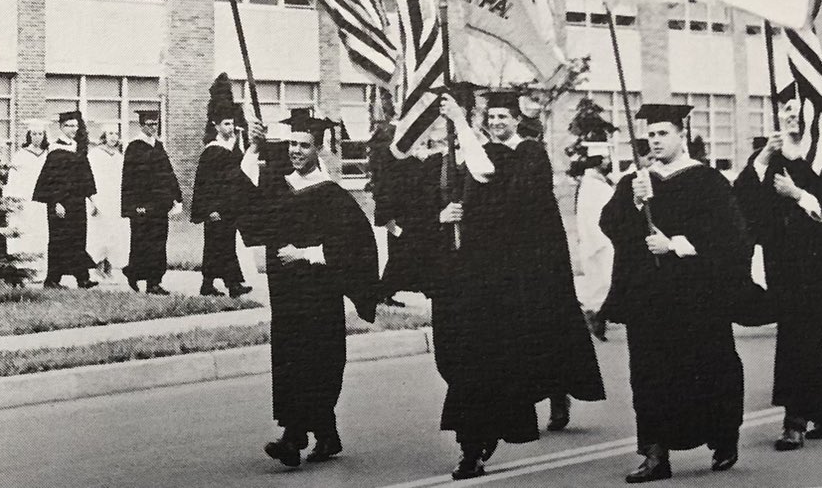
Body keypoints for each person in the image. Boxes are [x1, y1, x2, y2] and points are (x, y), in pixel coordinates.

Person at [434, 94, 604, 480]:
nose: (495, 122)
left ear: (517, 120)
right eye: (490, 116)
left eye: (502, 116)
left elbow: (496, 182)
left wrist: (462, 124)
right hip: (478, 271)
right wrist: (448, 215)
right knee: (481, 356)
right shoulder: (475, 155)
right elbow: (454, 194)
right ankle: (475, 443)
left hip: (528, 266)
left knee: (537, 337)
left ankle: (552, 395)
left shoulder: (528, 153)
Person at [600, 103, 748, 483]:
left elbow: (731, 237)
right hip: (649, 298)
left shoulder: (708, 181)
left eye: (663, 133)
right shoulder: (637, 180)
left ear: (683, 136)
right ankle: (654, 453)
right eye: (651, 134)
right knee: (650, 374)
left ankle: (723, 438)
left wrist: (677, 244)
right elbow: (611, 226)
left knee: (708, 368)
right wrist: (634, 203)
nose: (656, 140)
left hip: (696, 295)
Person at [240, 110, 378, 469]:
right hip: (286, 293)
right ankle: (326, 435)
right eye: (291, 144)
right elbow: (246, 196)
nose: (295, 151)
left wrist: (307, 254)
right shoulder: (279, 183)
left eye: (303, 145)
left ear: (319, 149)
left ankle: (293, 438)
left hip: (318, 293)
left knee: (315, 362)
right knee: (290, 360)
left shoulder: (331, 193)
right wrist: (254, 146)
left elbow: (356, 244)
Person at [731, 91, 822, 452]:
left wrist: (799, 195)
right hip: (778, 263)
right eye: (785, 110)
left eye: (798, 110)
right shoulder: (768, 161)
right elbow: (742, 203)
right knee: (801, 337)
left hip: (814, 266)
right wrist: (761, 159)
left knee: (798, 338)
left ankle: (795, 422)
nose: (791, 116)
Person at [193, 99, 259, 298]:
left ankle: (210, 285)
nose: (230, 128)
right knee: (217, 246)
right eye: (226, 124)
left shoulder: (233, 148)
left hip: (230, 206)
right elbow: (204, 185)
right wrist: (209, 209)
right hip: (216, 208)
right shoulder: (211, 151)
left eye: (231, 123)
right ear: (216, 126)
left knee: (222, 246)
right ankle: (232, 284)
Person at [371, 121, 441, 307]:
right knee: (400, 257)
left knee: (415, 254)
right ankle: (381, 293)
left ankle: (426, 288)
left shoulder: (411, 161)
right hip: (398, 219)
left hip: (414, 218)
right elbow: (382, 194)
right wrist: (389, 223)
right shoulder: (390, 163)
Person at [36, 110, 99, 289]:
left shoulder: (77, 148)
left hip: (77, 202)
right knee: (59, 240)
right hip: (60, 203)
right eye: (69, 126)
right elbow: (50, 179)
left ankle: (82, 278)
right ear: (61, 127)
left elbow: (86, 176)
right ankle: (52, 280)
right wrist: (56, 202)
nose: (73, 129)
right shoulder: (56, 149)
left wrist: (93, 200)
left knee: (78, 238)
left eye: (75, 126)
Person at [122, 110, 181, 295]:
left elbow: (168, 173)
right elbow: (129, 179)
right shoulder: (134, 147)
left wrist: (176, 197)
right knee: (142, 242)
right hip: (142, 205)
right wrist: (134, 205)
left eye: (155, 124)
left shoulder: (159, 146)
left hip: (160, 205)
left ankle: (154, 282)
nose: (153, 127)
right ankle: (133, 273)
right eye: (149, 124)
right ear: (141, 125)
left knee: (158, 242)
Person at [574, 137, 623, 341]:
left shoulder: (593, 183)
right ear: (600, 161)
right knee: (603, 281)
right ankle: (596, 316)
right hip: (601, 243)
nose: (608, 163)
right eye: (606, 159)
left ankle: (598, 315)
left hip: (596, 242)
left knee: (600, 282)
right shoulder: (595, 187)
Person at [5, 120, 51, 278]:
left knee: (42, 234)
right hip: (24, 200)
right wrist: (13, 199)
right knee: (25, 232)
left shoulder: (48, 155)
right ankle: (23, 270)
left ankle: (40, 271)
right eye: (34, 134)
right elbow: (13, 180)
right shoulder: (21, 155)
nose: (37, 137)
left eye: (40, 134)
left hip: (42, 201)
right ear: (29, 135)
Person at [89, 125, 131, 281]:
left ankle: (109, 266)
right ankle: (98, 266)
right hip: (100, 199)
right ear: (104, 135)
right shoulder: (94, 155)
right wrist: (93, 201)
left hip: (115, 200)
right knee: (100, 232)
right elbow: (90, 178)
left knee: (114, 233)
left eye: (116, 133)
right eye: (110, 133)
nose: (113, 137)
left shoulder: (120, 157)